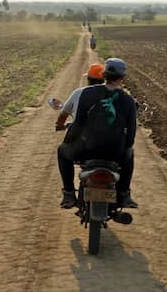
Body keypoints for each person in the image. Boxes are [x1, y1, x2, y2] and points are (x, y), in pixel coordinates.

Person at [57, 57, 138, 209]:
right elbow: (131, 134)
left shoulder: (86, 93)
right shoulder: (128, 100)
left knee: (62, 151)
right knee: (130, 153)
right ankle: (124, 194)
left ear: (104, 74)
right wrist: (124, 147)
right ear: (123, 77)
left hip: (85, 151)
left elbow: (78, 124)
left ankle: (68, 194)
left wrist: (70, 141)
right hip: (115, 153)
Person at [54, 63, 105, 131]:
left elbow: (64, 114)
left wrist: (60, 125)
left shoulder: (79, 92)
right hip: (105, 134)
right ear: (104, 80)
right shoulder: (112, 94)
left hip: (82, 133)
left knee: (68, 141)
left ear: (88, 79)